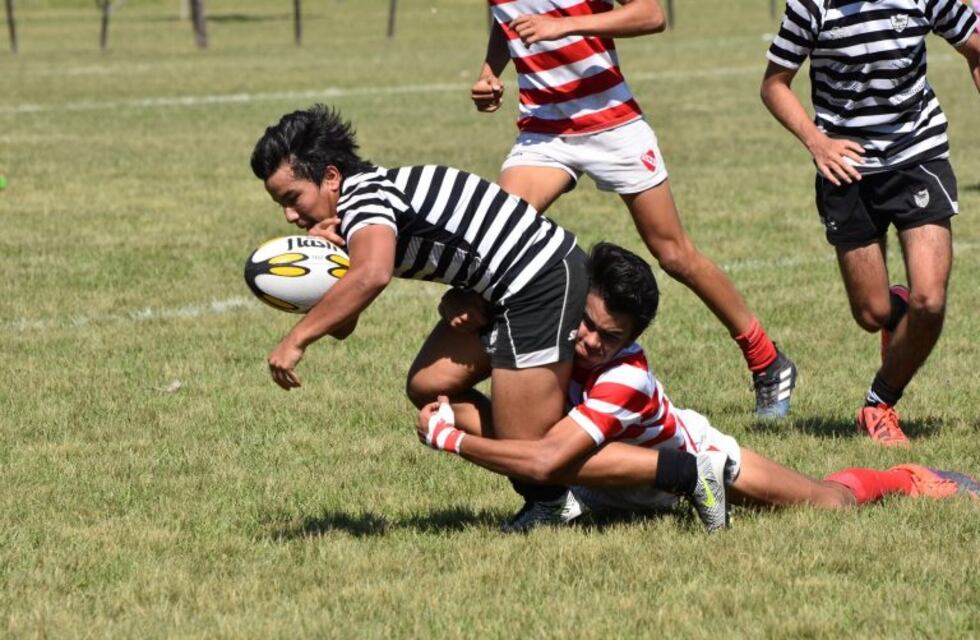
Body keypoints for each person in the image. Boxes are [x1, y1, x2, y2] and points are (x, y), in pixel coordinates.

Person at [415, 243, 980, 532]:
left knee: (828, 503)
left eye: (608, 338)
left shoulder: (625, 378)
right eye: (586, 323)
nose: (587, 342)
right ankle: (558, 507)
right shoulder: (558, 329)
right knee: (480, 416)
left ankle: (909, 478)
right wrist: (464, 312)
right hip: (601, 477)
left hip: (693, 459)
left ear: (632, 338)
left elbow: (544, 458)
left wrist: (449, 439)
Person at [250, 104, 589, 518]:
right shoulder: (355, 212)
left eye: (293, 198)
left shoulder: (366, 197)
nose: (289, 215)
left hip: (540, 280)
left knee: (530, 446)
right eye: (280, 204)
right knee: (431, 386)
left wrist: (296, 339)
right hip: (499, 293)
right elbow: (345, 324)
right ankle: (553, 483)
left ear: (331, 178)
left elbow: (373, 275)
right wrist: (330, 265)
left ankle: (666, 469)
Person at [471, 0, 798, 417]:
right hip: (544, 129)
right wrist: (488, 73)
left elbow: (651, 14)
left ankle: (768, 362)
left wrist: (565, 27)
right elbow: (508, 21)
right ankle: (492, 377)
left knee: (674, 254)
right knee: (496, 244)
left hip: (613, 124)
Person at [760, 0, 980, 445]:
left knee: (931, 301)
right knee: (871, 313)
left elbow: (975, 47)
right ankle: (897, 312)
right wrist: (817, 142)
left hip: (919, 155)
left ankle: (878, 404)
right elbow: (774, 84)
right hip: (847, 169)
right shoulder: (811, 7)